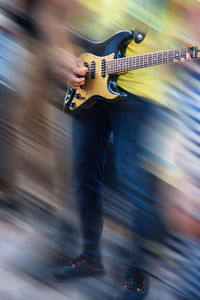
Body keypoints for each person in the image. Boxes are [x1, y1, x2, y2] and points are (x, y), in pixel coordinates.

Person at [0, 0, 87, 205]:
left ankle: (39, 194)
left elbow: (63, 13)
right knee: (22, 118)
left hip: (40, 46)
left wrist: (58, 50)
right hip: (33, 41)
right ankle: (30, 191)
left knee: (30, 118)